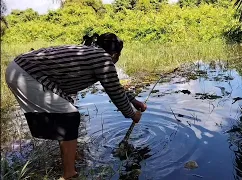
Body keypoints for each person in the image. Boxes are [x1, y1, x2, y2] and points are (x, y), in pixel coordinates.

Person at [5, 32, 147, 179]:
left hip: (19, 69)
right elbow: (115, 91)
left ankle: (72, 158)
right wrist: (132, 114)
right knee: (69, 116)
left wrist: (134, 102)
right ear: (115, 54)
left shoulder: (91, 53)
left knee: (64, 114)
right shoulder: (103, 58)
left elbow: (113, 85)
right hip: (26, 74)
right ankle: (69, 174)